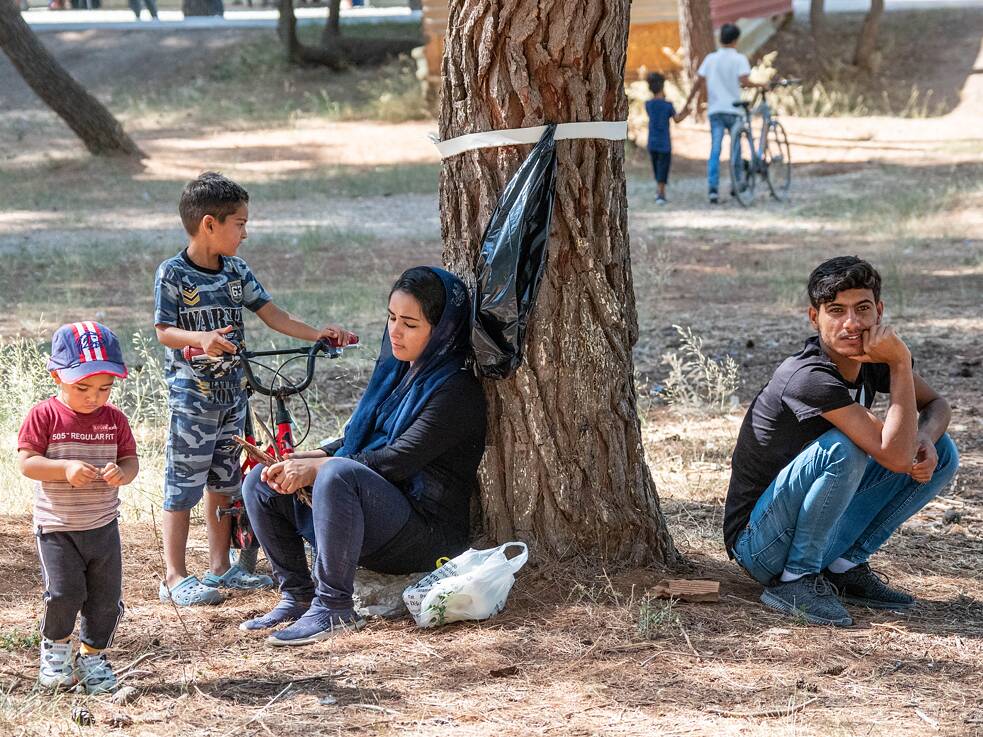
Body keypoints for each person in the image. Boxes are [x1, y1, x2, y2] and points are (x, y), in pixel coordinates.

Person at [240, 266, 487, 646]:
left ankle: (334, 607)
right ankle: (298, 594)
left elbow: (399, 458)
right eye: (391, 318)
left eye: (409, 323)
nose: (394, 331)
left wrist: (320, 467)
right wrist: (308, 456)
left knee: (338, 474)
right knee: (260, 480)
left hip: (425, 532)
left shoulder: (456, 389)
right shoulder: (398, 371)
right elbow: (365, 438)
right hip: (379, 511)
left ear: (440, 330)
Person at [154, 172, 355, 607]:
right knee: (183, 483)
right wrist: (200, 340)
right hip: (193, 400)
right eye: (239, 223)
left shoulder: (236, 271)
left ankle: (221, 567)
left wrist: (317, 334)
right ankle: (173, 576)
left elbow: (273, 314)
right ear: (210, 224)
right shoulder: (173, 274)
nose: (245, 232)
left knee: (224, 482)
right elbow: (164, 331)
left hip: (233, 395)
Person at [724, 256, 959, 626]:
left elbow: (938, 404)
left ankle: (842, 566)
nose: (851, 324)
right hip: (760, 543)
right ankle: (796, 580)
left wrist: (925, 437)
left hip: (807, 527)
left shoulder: (872, 358)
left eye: (862, 309)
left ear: (878, 311)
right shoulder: (807, 376)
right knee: (845, 447)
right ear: (814, 317)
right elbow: (895, 458)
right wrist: (900, 364)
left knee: (943, 451)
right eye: (836, 311)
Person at [17, 322, 139, 693]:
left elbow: (130, 460)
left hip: (103, 526)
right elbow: (27, 463)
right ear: (57, 376)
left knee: (105, 600)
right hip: (57, 526)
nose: (94, 397)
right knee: (64, 593)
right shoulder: (45, 416)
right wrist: (65, 468)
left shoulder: (114, 419)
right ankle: (54, 653)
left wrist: (122, 473)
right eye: (82, 387)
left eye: (105, 388)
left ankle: (93, 657)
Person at [682, 23, 765, 204]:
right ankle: (737, 183)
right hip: (733, 110)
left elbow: (698, 82)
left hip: (715, 110)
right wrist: (761, 85)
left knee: (715, 149)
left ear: (721, 40)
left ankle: (713, 189)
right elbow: (744, 80)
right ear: (736, 40)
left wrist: (686, 105)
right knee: (735, 149)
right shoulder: (739, 58)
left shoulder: (711, 59)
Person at [644, 72, 689, 205]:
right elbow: (677, 119)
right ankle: (661, 194)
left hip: (652, 142)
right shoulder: (668, 105)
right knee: (663, 168)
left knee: (657, 167)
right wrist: (686, 112)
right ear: (663, 87)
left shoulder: (648, 104)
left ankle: (658, 191)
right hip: (664, 143)